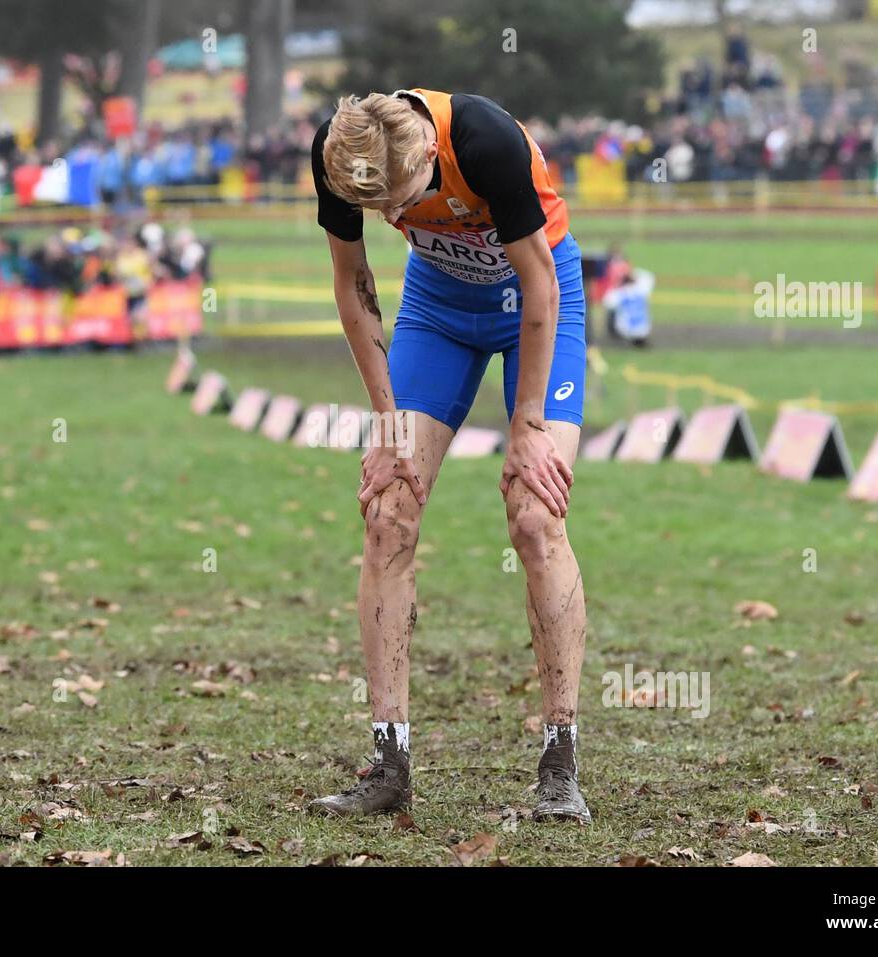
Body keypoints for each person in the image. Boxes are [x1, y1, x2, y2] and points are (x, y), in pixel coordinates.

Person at [307, 89, 591, 822]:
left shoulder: (487, 141)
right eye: (382, 214)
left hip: (537, 302)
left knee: (535, 513)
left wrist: (526, 421)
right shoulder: (341, 155)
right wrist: (386, 420)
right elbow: (354, 281)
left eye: (402, 202)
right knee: (387, 512)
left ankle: (560, 759)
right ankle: (388, 761)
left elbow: (538, 286)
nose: (393, 220)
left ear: (430, 155)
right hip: (437, 310)